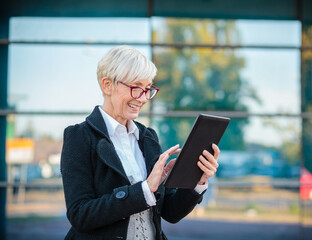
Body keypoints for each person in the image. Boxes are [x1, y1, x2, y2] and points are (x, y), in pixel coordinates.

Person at [60, 45, 220, 240]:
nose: (144, 98)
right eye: (136, 88)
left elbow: (170, 213)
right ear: (107, 85)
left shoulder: (148, 137)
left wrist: (198, 181)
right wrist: (144, 190)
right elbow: (80, 215)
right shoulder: (79, 137)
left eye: (148, 89)